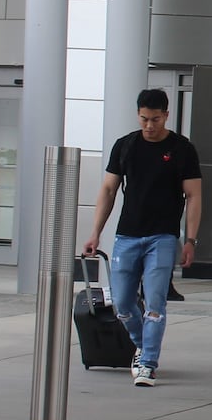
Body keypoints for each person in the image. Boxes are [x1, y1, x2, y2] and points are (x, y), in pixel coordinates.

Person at [82, 88, 203, 388]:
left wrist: (191, 240)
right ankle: (140, 345)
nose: (149, 126)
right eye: (144, 119)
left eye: (156, 120)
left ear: (166, 115)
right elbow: (108, 191)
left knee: (155, 303)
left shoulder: (182, 149)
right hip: (127, 235)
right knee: (122, 304)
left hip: (162, 237)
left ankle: (148, 363)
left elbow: (194, 196)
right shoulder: (125, 146)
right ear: (138, 115)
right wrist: (95, 232)